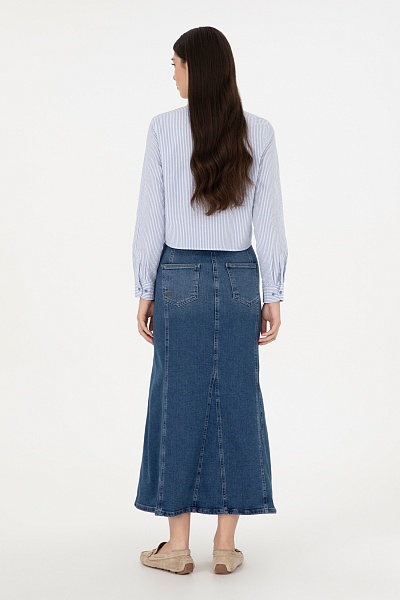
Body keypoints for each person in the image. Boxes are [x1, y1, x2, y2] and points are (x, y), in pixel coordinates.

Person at [132, 26, 288, 575]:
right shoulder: (259, 131)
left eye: (175, 64)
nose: (172, 74)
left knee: (175, 402)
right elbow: (270, 221)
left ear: (196, 69)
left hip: (178, 276)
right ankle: (224, 545)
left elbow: (150, 218)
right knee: (237, 403)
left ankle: (177, 547)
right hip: (242, 276)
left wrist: (144, 288)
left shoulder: (163, 129)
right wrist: (273, 293)